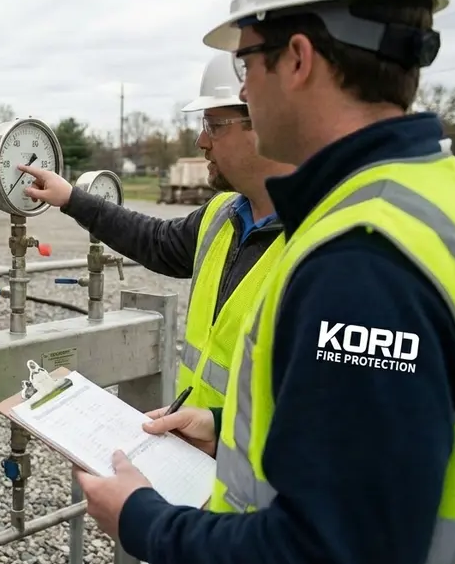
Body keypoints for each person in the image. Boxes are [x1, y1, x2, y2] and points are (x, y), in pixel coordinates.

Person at [73, 0, 455, 564]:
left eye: (245, 59)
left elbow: (327, 551)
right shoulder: (441, 202)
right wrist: (225, 431)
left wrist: (145, 520)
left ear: (296, 58)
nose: (243, 84)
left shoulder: (363, 259)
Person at [19, 52, 294, 410]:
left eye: (214, 125)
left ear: (264, 124)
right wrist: (72, 198)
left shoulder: (322, 240)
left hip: (247, 461)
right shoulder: (222, 214)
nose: (201, 141)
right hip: (200, 448)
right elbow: (156, 241)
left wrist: (218, 427)